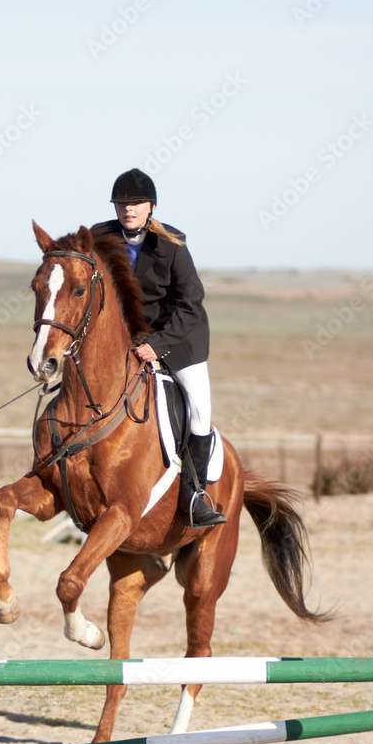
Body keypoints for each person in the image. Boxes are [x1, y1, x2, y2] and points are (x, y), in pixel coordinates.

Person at [91, 168, 226, 529]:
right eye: (121, 203)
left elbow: (191, 301)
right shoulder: (99, 237)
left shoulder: (171, 244)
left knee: (199, 410)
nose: (128, 209)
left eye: (135, 203)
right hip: (126, 342)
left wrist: (158, 344)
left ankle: (195, 495)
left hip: (179, 340)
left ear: (152, 206)